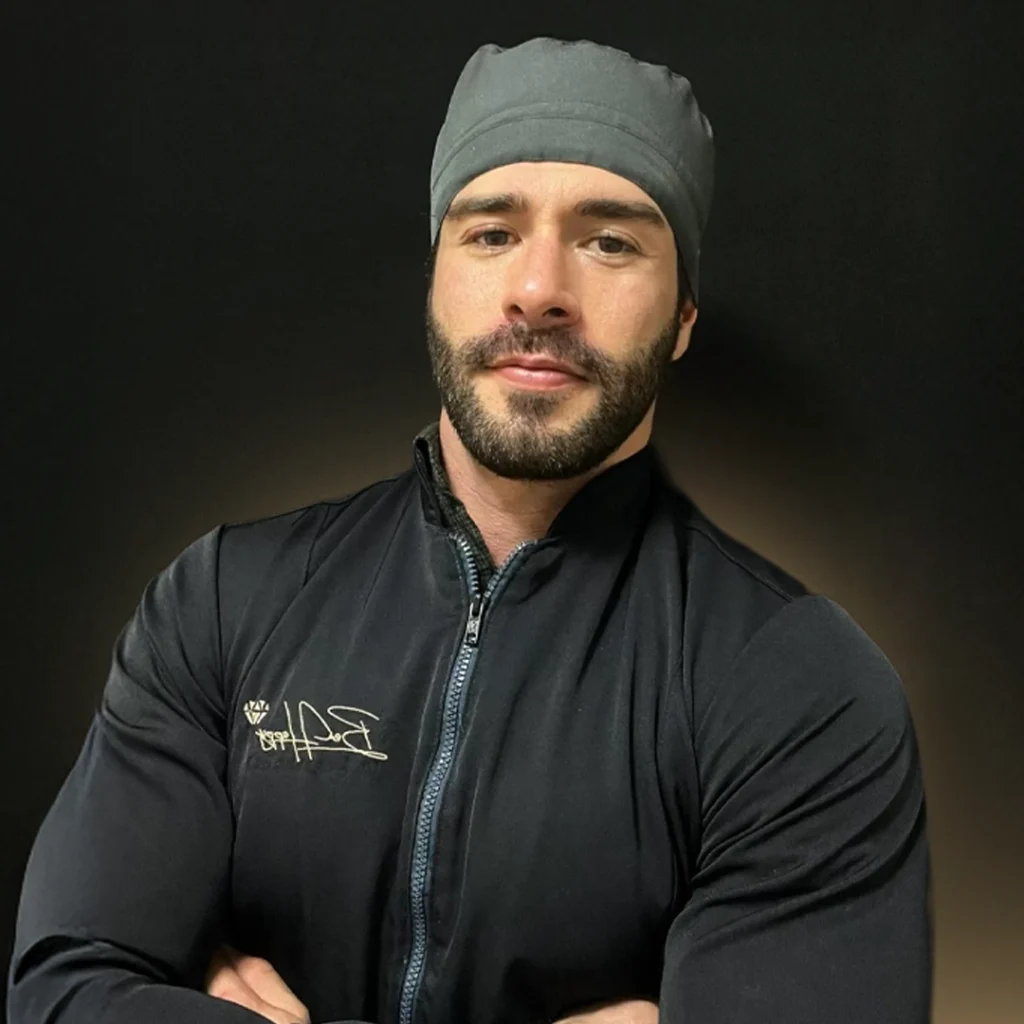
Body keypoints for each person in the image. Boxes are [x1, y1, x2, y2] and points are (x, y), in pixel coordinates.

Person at [7, 36, 932, 1024]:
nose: (538, 289)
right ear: (435, 279)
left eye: (609, 241)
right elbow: (61, 994)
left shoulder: (797, 685)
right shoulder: (225, 603)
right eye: (491, 233)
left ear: (683, 317)